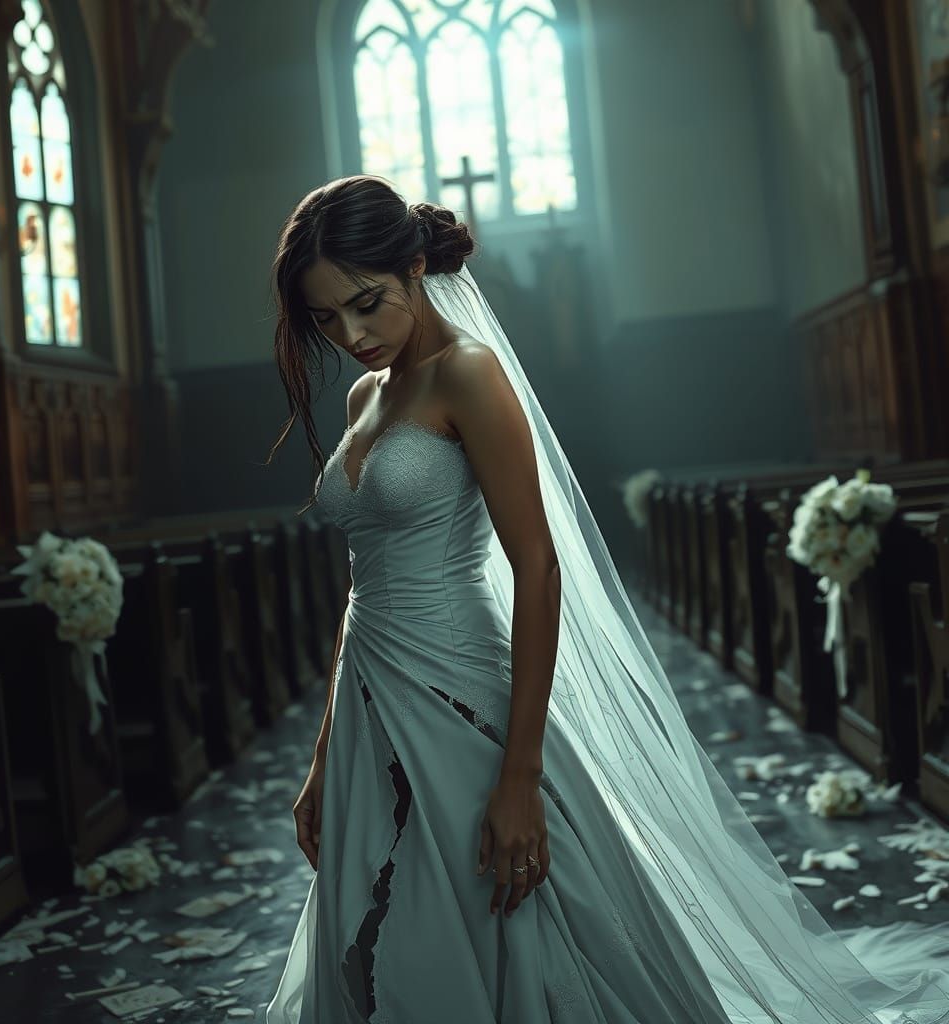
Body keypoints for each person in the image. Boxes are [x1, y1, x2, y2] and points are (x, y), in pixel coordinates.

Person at [264, 175, 949, 1023]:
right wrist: (325, 757)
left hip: (462, 699)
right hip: (371, 701)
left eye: (365, 303)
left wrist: (520, 777)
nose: (351, 334)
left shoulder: (467, 375)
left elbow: (538, 567)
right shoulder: (366, 394)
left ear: (412, 265)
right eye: (325, 319)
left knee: (503, 918)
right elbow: (360, 591)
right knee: (376, 934)